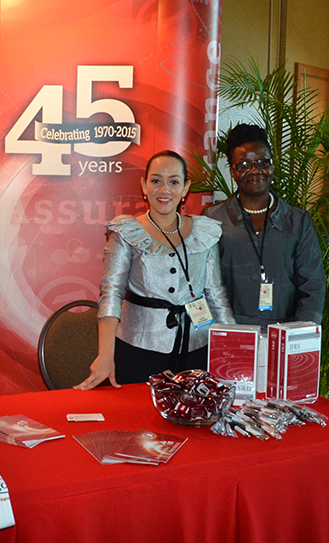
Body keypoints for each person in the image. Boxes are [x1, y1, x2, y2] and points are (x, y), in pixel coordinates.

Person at [75, 150, 234, 390]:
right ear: (144, 185)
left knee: (193, 412)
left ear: (185, 188)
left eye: (174, 182)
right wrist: (106, 355)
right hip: (138, 349)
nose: (164, 190)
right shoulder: (126, 232)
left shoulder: (204, 232)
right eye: (156, 181)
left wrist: (233, 347)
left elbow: (215, 294)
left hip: (197, 348)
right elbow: (111, 294)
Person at [202, 124, 325, 329]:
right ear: (232, 172)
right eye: (244, 165)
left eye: (262, 162)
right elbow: (204, 285)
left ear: (272, 166)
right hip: (230, 332)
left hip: (284, 334)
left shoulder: (298, 221)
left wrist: (299, 334)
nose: (254, 171)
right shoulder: (213, 218)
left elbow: (313, 287)